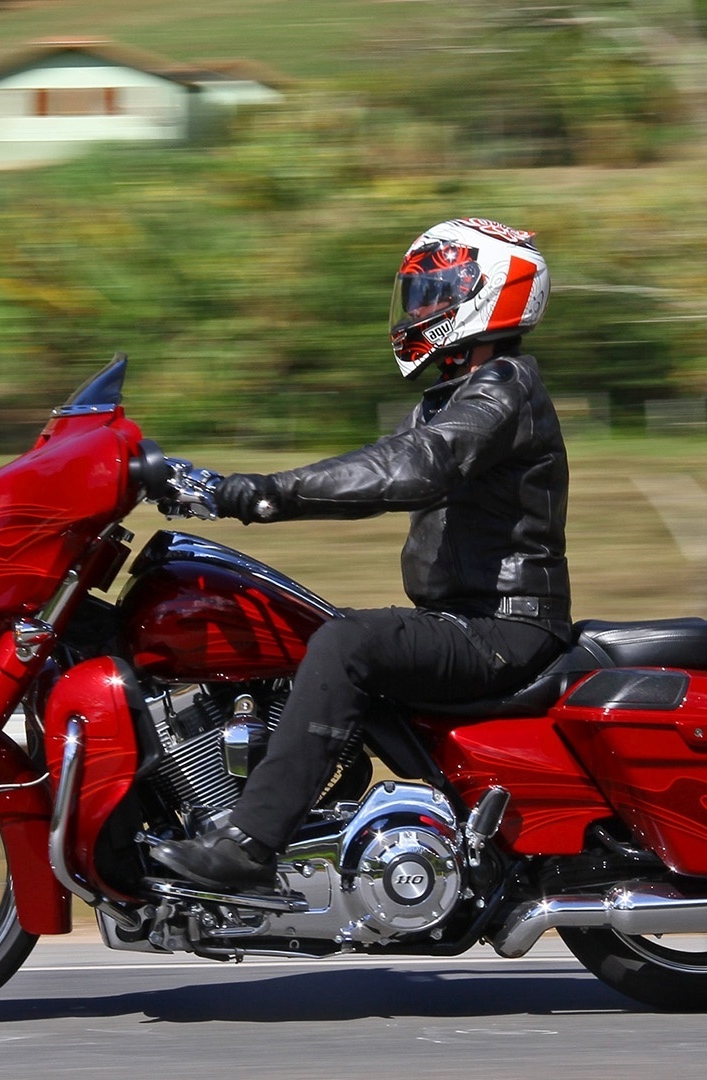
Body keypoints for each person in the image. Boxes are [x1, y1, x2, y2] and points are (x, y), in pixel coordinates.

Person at [150, 217, 572, 890]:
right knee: (290, 632)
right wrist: (196, 483)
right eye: (419, 294)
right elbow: (377, 468)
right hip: (474, 622)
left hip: (504, 627)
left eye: (436, 291)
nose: (420, 308)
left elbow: (414, 468)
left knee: (347, 643)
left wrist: (256, 495)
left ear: (488, 294)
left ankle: (251, 845)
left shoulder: (502, 388)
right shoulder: (457, 396)